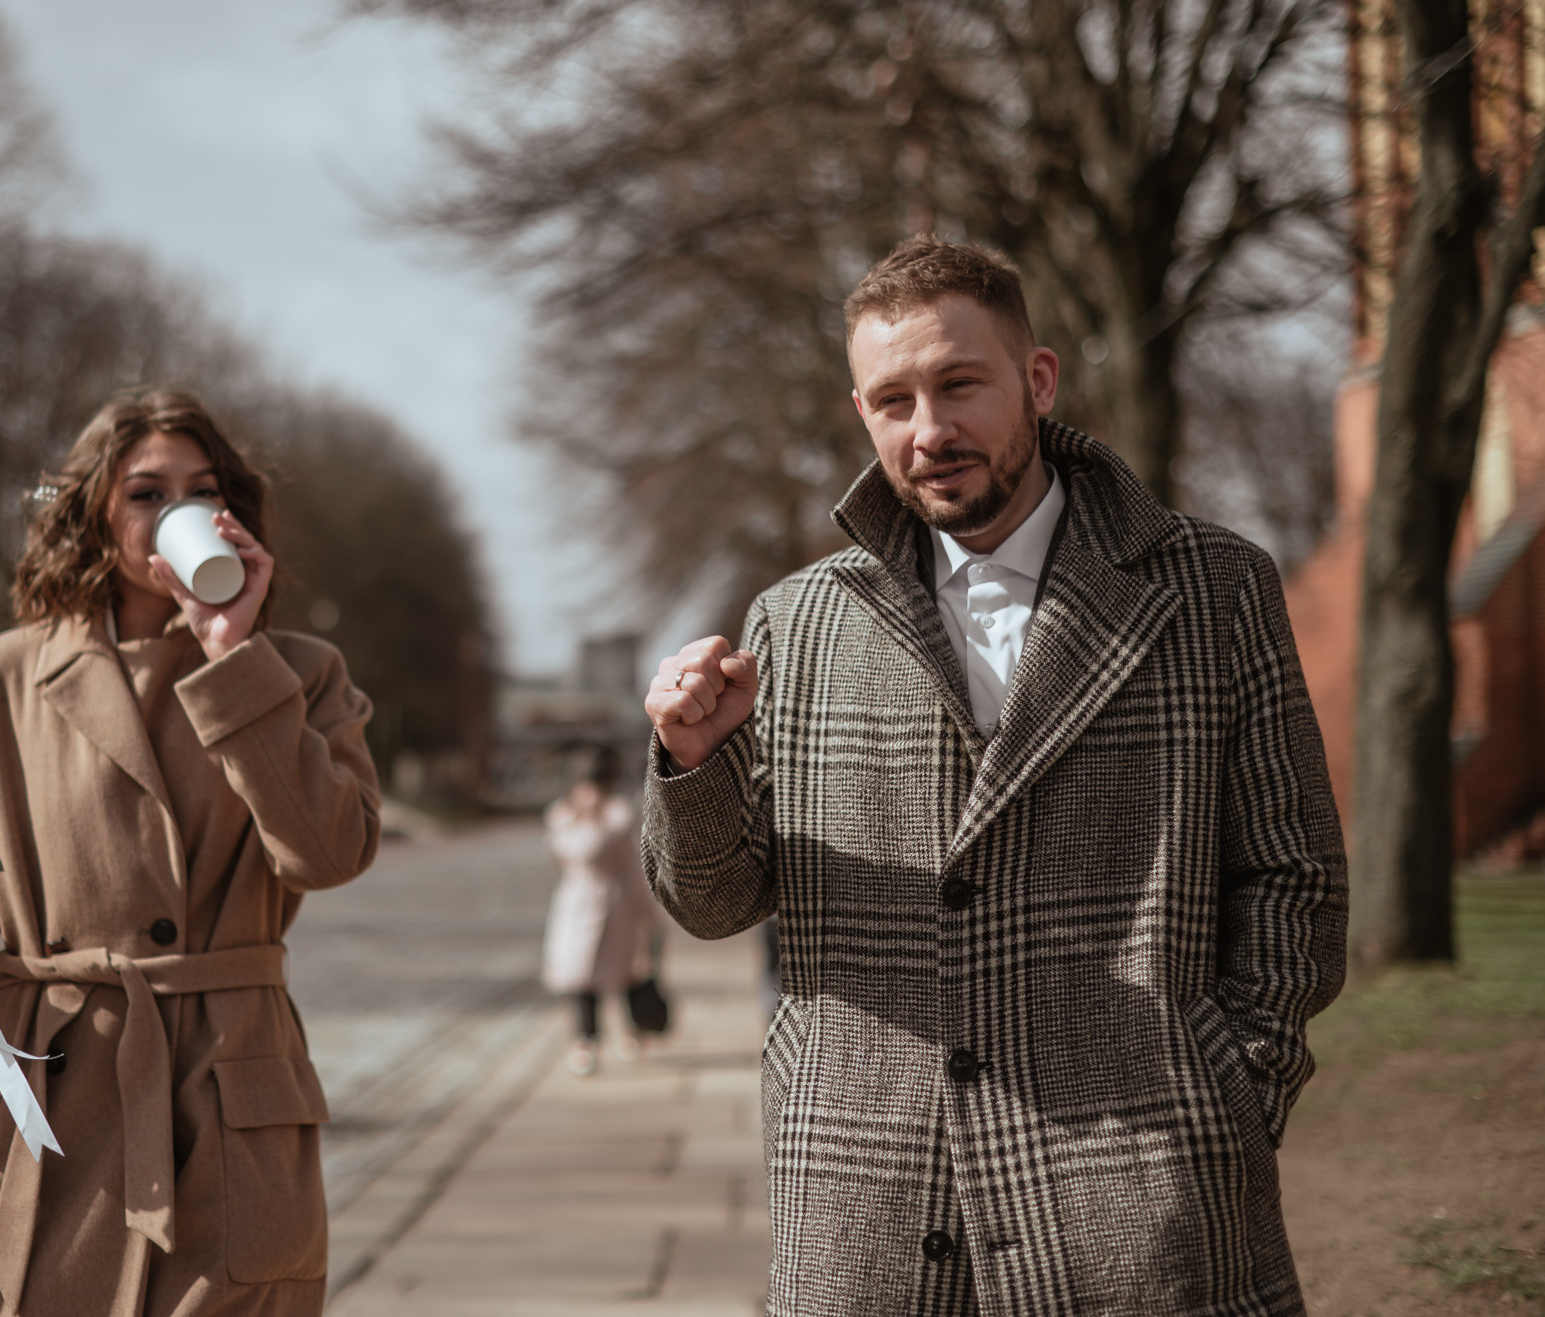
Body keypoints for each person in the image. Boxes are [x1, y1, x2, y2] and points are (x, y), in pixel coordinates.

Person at [641, 238, 1346, 1315]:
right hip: (868, 1207)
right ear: (862, 413)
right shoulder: (799, 620)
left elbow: (1295, 876)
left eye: (959, 384)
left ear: (1039, 380)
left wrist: (1230, 1088)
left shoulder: (1213, 590)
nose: (928, 430)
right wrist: (695, 763)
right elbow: (715, 904)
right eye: (893, 401)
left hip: (1143, 1197)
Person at [0, 387, 380, 1317]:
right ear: (95, 515)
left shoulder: (299, 672)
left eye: (203, 490)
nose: (180, 511)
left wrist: (233, 654)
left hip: (222, 1105)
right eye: (147, 492)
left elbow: (330, 852)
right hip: (47, 1103)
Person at [541, 745, 663, 1075]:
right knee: (580, 975)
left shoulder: (618, 816)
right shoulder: (561, 816)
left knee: (622, 973)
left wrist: (647, 916)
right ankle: (585, 1040)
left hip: (615, 906)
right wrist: (581, 818)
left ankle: (631, 1029)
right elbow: (566, 854)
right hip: (575, 904)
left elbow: (633, 867)